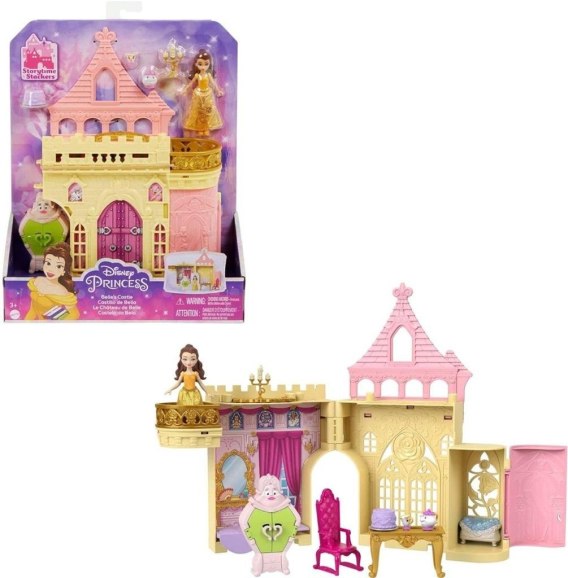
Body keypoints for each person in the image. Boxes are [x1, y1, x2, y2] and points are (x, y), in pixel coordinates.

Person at [25, 242, 79, 320]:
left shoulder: (62, 291)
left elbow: (73, 315)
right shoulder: (38, 281)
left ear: (64, 271)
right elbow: (32, 310)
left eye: (58, 266)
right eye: (48, 263)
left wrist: (52, 320)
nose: (51, 269)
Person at [183, 50, 224, 137]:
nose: (203, 67)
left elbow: (214, 84)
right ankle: (199, 129)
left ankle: (206, 128)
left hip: (207, 94)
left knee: (208, 110)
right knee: (198, 111)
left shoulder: (208, 75)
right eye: (200, 64)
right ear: (196, 64)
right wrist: (184, 90)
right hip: (198, 94)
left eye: (206, 64)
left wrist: (218, 91)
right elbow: (191, 84)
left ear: (209, 64)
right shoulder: (197, 76)